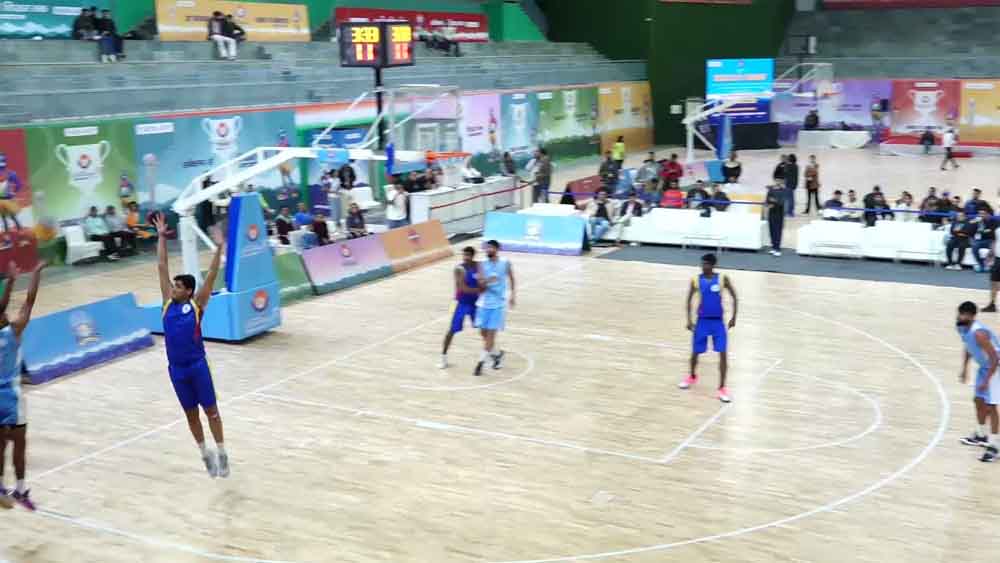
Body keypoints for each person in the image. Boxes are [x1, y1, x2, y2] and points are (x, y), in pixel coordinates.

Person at [151, 213, 229, 478]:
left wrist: (219, 248)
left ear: (188, 291)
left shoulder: (196, 306)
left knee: (212, 412)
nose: (172, 289)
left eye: (177, 287)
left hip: (197, 367)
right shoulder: (166, 304)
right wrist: (161, 237)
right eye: (173, 286)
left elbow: (212, 275)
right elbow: (161, 266)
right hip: (177, 370)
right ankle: (205, 453)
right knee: (191, 415)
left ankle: (222, 452)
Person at [0, 261, 44, 511]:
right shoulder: (13, 331)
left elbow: (4, 306)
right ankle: (19, 488)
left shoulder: (9, 328)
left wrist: (10, 282)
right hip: (12, 396)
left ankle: (2, 487)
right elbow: (29, 301)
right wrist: (34, 274)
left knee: (1, 445)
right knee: (19, 443)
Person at [680, 253, 737, 403]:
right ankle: (692, 376)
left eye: (706, 264)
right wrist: (689, 320)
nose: (703, 266)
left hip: (718, 323)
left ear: (713, 265)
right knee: (695, 353)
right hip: (702, 322)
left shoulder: (723, 279)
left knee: (723, 354)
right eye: (702, 263)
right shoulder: (695, 280)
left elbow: (734, 296)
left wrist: (734, 317)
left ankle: (722, 388)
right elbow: (688, 300)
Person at [956, 301, 1000, 462]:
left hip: (996, 366)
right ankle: (981, 435)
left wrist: (987, 380)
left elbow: (995, 357)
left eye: (964, 314)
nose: (960, 317)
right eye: (959, 313)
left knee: (992, 406)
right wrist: (965, 368)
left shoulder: (979, 333)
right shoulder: (962, 328)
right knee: (978, 400)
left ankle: (995, 447)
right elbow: (968, 347)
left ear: (972, 316)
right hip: (985, 367)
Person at [474, 240, 515, 377]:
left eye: (491, 248)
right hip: (483, 304)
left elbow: (512, 279)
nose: (488, 250)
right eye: (487, 248)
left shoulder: (505, 263)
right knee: (483, 334)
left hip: (497, 305)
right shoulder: (481, 264)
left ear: (497, 249)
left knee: (491, 335)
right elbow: (480, 285)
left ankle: (480, 363)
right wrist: (487, 281)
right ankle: (497, 355)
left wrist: (512, 295)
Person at [439, 246, 481, 369]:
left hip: (475, 303)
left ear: (473, 256)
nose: (465, 257)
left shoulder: (479, 266)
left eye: (468, 255)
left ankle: (493, 353)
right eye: (464, 255)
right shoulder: (459, 269)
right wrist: (481, 289)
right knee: (451, 330)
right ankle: (443, 358)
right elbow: (463, 288)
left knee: (484, 329)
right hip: (459, 303)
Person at [765, 184, 785, 256]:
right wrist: (768, 203)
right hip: (771, 212)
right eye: (776, 180)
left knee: (777, 231)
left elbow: (781, 202)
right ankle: (773, 247)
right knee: (771, 230)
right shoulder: (771, 190)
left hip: (779, 214)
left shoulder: (783, 191)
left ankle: (778, 248)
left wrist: (774, 201)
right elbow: (767, 200)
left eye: (779, 180)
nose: (777, 182)